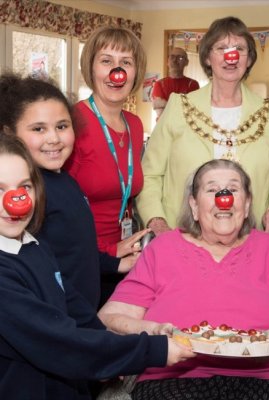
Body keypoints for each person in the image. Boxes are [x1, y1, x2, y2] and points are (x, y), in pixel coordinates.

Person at [99, 159, 269, 400]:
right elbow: (109, 317)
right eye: (212, 189)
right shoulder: (162, 248)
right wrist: (156, 332)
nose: (223, 197)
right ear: (194, 206)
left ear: (247, 205)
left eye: (233, 188)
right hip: (177, 380)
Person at [0, 133, 194, 399]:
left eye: (24, 187)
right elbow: (57, 342)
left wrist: (109, 348)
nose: (15, 200)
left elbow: (71, 304)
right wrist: (152, 349)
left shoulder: (34, 246)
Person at [0, 73, 151, 310]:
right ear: (10, 133)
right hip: (60, 317)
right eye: (38, 129)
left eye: (62, 126)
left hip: (81, 311)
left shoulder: (65, 180)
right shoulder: (31, 192)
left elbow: (75, 250)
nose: (54, 138)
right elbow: (42, 270)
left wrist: (115, 264)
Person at [137, 16, 269, 237]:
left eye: (239, 48)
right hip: (183, 240)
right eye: (222, 48)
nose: (231, 56)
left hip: (249, 243)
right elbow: (150, 175)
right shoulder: (179, 107)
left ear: (249, 58)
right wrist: (158, 224)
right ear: (208, 57)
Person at [64, 26, 150, 305]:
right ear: (91, 67)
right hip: (82, 263)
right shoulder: (71, 122)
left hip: (124, 260)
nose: (117, 72)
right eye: (107, 61)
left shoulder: (134, 125)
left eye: (126, 62)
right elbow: (57, 210)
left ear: (136, 72)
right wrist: (105, 254)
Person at [151, 47, 200, 119]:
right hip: (164, 129)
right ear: (167, 61)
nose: (175, 60)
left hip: (185, 129)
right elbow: (161, 114)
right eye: (172, 57)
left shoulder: (193, 84)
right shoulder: (159, 84)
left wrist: (165, 104)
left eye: (180, 58)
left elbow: (191, 112)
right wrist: (182, 105)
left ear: (186, 62)